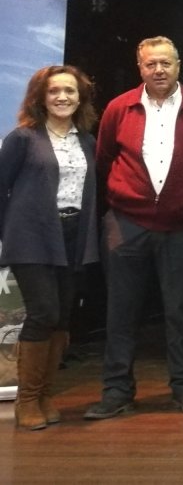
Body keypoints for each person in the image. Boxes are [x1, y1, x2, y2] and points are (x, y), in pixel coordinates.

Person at [85, 36, 183, 420]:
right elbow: (105, 159)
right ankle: (116, 391)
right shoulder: (119, 108)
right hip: (126, 224)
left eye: (166, 63)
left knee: (182, 312)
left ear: (179, 66)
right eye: (150, 64)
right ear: (140, 68)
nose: (159, 70)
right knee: (120, 312)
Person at [0, 65, 100, 430]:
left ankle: (45, 395)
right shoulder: (23, 138)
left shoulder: (86, 141)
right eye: (54, 91)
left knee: (62, 317)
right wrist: (7, 233)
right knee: (43, 312)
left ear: (80, 97)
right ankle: (27, 400)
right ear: (40, 97)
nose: (62, 97)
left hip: (73, 236)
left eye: (70, 91)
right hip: (32, 237)